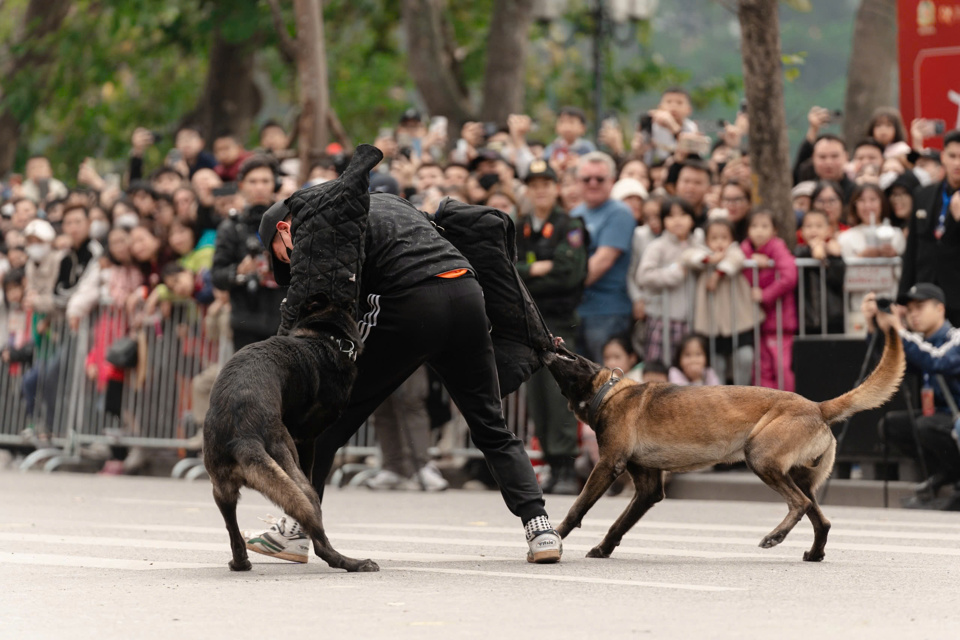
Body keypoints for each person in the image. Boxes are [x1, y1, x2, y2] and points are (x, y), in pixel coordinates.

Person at [249, 145, 563, 564]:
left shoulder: (316, 224)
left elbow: (324, 303)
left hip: (413, 303)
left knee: (325, 421)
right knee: (489, 422)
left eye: (280, 254)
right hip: (467, 294)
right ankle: (540, 528)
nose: (287, 262)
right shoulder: (392, 203)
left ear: (284, 229)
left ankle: (296, 529)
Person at [515, 159, 588, 495]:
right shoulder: (520, 227)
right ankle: (549, 461)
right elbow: (507, 270)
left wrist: (527, 274)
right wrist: (536, 269)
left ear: (556, 188)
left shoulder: (569, 225)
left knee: (559, 395)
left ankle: (565, 467)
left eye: (546, 183)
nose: (540, 190)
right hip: (530, 322)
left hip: (559, 320)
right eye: (534, 184)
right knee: (537, 397)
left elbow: (568, 273)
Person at [863, 285, 960, 506]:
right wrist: (874, 329)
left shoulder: (956, 338)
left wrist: (900, 330)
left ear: (940, 309)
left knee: (927, 425)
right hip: (940, 419)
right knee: (891, 425)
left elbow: (937, 361)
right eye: (909, 309)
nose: (913, 314)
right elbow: (891, 367)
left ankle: (955, 481)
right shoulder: (918, 342)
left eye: (920, 307)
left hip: (955, 420)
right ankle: (945, 474)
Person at [211, 155, 287, 350]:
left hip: (284, 321)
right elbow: (217, 275)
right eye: (253, 181)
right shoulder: (230, 227)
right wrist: (239, 271)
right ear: (242, 185)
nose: (259, 187)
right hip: (245, 322)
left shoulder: (289, 225)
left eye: (265, 181)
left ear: (275, 184)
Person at [570, 152, 636, 362]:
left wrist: (562, 284)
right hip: (578, 309)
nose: (593, 183)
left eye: (600, 179)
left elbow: (602, 261)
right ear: (577, 181)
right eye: (586, 179)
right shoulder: (575, 213)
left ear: (612, 181)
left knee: (605, 383)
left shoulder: (620, 213)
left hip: (608, 311)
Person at [898, 129, 960, 326]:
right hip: (924, 295)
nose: (957, 163)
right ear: (943, 157)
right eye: (952, 156)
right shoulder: (922, 194)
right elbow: (912, 249)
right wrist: (902, 296)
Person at [684, 218, 754, 384]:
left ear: (732, 239)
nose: (719, 242)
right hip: (711, 324)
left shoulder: (735, 252)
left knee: (744, 357)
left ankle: (743, 396)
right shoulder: (701, 254)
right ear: (706, 240)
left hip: (737, 321)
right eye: (714, 238)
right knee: (717, 364)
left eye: (724, 237)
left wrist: (717, 273)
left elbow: (736, 259)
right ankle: (720, 401)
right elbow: (688, 256)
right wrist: (710, 260)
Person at [636, 197, 704, 364]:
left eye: (682, 215)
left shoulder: (697, 244)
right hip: (663, 318)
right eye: (671, 216)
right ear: (664, 220)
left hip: (691, 319)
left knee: (686, 369)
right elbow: (644, 275)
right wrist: (676, 272)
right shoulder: (657, 246)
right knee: (659, 367)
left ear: (692, 219)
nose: (677, 221)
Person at [741, 208, 798, 391]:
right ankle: (765, 407)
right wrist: (751, 258)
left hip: (779, 323)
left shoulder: (776, 246)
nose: (759, 231)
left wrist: (765, 295)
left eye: (765, 226)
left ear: (774, 231)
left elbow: (789, 275)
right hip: (757, 322)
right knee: (761, 368)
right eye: (754, 226)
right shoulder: (745, 249)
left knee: (782, 368)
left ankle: (789, 406)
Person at [794, 210, 845, 335]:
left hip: (832, 318)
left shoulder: (834, 251)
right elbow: (796, 258)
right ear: (801, 231)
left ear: (828, 230)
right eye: (808, 226)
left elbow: (837, 280)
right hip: (804, 318)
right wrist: (812, 250)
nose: (813, 230)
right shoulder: (798, 251)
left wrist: (833, 257)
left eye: (819, 226)